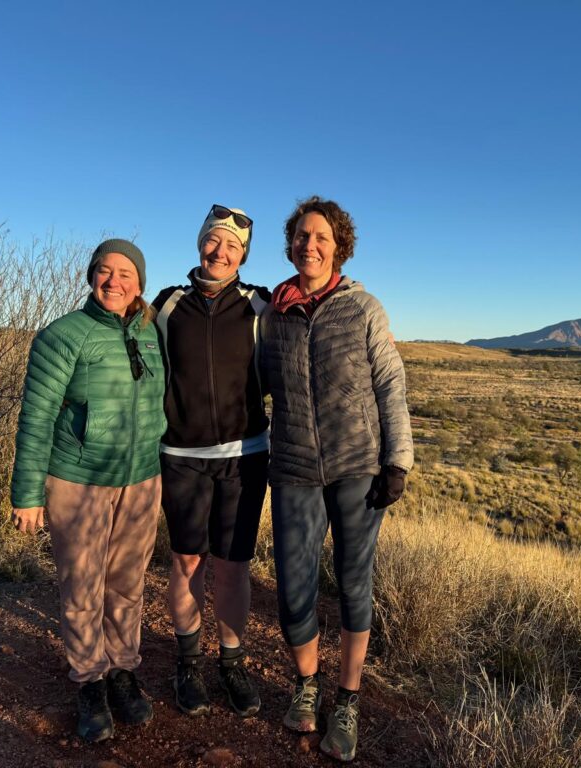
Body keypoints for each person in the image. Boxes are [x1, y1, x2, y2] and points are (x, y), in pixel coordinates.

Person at [261, 196, 413, 762]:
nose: (310, 245)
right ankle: (306, 687)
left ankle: (347, 698)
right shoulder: (273, 315)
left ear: (338, 245)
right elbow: (256, 385)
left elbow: (390, 386)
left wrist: (397, 460)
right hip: (295, 468)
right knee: (294, 586)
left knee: (353, 583)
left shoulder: (363, 308)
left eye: (321, 237)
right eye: (302, 236)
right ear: (291, 243)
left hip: (357, 468)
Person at [10, 238, 166, 743]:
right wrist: (27, 493)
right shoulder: (62, 336)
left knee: (126, 585)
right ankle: (89, 683)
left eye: (125, 273)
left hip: (141, 480)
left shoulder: (150, 334)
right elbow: (36, 417)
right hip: (78, 481)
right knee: (82, 588)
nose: (114, 281)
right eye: (104, 270)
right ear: (90, 276)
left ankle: (122, 670)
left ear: (139, 283)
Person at [151, 205, 270, 719]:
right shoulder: (165, 305)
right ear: (199, 244)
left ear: (243, 255)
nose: (220, 252)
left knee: (234, 566)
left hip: (245, 456)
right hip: (181, 456)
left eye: (232, 246)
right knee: (186, 561)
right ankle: (188, 662)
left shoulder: (261, 305)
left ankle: (232, 661)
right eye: (213, 241)